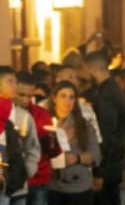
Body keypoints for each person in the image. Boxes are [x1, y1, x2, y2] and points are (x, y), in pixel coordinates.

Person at [84, 51, 125, 205]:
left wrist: (99, 171)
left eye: (86, 71)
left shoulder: (106, 95)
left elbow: (106, 135)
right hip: (113, 164)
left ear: (94, 70)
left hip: (107, 167)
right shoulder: (114, 89)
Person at [47, 81, 102, 205]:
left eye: (71, 97)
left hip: (78, 186)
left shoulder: (83, 125)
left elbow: (96, 156)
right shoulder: (45, 122)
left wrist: (77, 158)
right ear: (54, 98)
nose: (67, 101)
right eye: (63, 96)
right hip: (52, 185)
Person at [0, 66, 40, 205]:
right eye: (10, 82)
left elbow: (32, 147)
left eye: (16, 82)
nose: (15, 86)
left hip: (17, 184)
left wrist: (24, 172)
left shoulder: (23, 116)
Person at [15, 71, 54, 205]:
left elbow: (50, 150)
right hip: (14, 178)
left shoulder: (41, 114)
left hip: (38, 178)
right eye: (21, 95)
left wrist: (52, 140)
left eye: (30, 96)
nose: (25, 100)